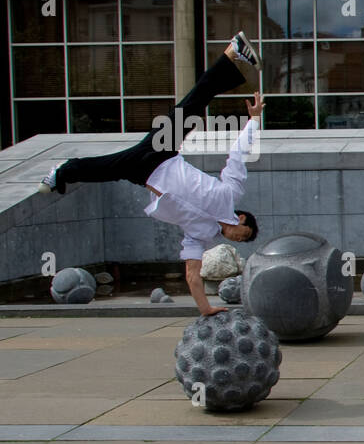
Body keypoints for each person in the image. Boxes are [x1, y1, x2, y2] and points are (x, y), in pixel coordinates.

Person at [37, 34, 263, 316]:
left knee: (101, 169)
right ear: (242, 219)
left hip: (143, 174)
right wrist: (253, 121)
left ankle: (60, 173)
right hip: (163, 152)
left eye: (241, 241)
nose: (238, 240)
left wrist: (205, 309)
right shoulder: (232, 193)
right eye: (243, 235)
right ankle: (234, 50)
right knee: (193, 105)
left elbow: (192, 274)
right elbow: (238, 156)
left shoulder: (202, 235)